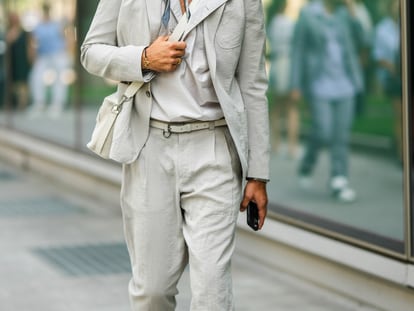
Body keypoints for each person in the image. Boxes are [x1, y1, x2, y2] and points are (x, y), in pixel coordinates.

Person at [81, 0, 270, 310]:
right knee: (152, 292)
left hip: (214, 148)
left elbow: (252, 85)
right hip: (150, 145)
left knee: (213, 293)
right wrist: (142, 58)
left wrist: (258, 173)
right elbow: (91, 52)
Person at [290, 0, 364, 202]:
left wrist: (352, 10)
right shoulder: (308, 15)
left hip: (345, 84)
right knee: (322, 130)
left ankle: (339, 180)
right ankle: (307, 163)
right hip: (319, 82)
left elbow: (363, 39)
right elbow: (298, 49)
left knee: (340, 135)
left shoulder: (344, 15)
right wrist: (295, 84)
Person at [267, 0, 300, 158]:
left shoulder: (272, 22)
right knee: (292, 107)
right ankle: (292, 146)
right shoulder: (290, 23)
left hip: (277, 64)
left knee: (276, 108)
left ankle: (277, 143)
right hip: (290, 64)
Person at [28, 2, 71, 118]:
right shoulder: (38, 26)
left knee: (59, 78)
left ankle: (57, 104)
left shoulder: (57, 24)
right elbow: (33, 42)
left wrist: (66, 50)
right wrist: (33, 55)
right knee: (36, 77)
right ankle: (39, 103)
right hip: (43, 55)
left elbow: (66, 37)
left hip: (58, 54)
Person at [372, 0, 402, 162]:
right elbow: (378, 56)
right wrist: (395, 67)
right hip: (394, 78)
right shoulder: (383, 30)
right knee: (400, 115)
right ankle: (401, 154)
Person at [6, 12, 31, 111]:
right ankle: (15, 103)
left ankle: (22, 104)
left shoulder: (24, 32)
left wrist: (31, 58)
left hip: (22, 59)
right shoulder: (8, 32)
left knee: (23, 83)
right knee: (14, 83)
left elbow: (29, 46)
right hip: (13, 60)